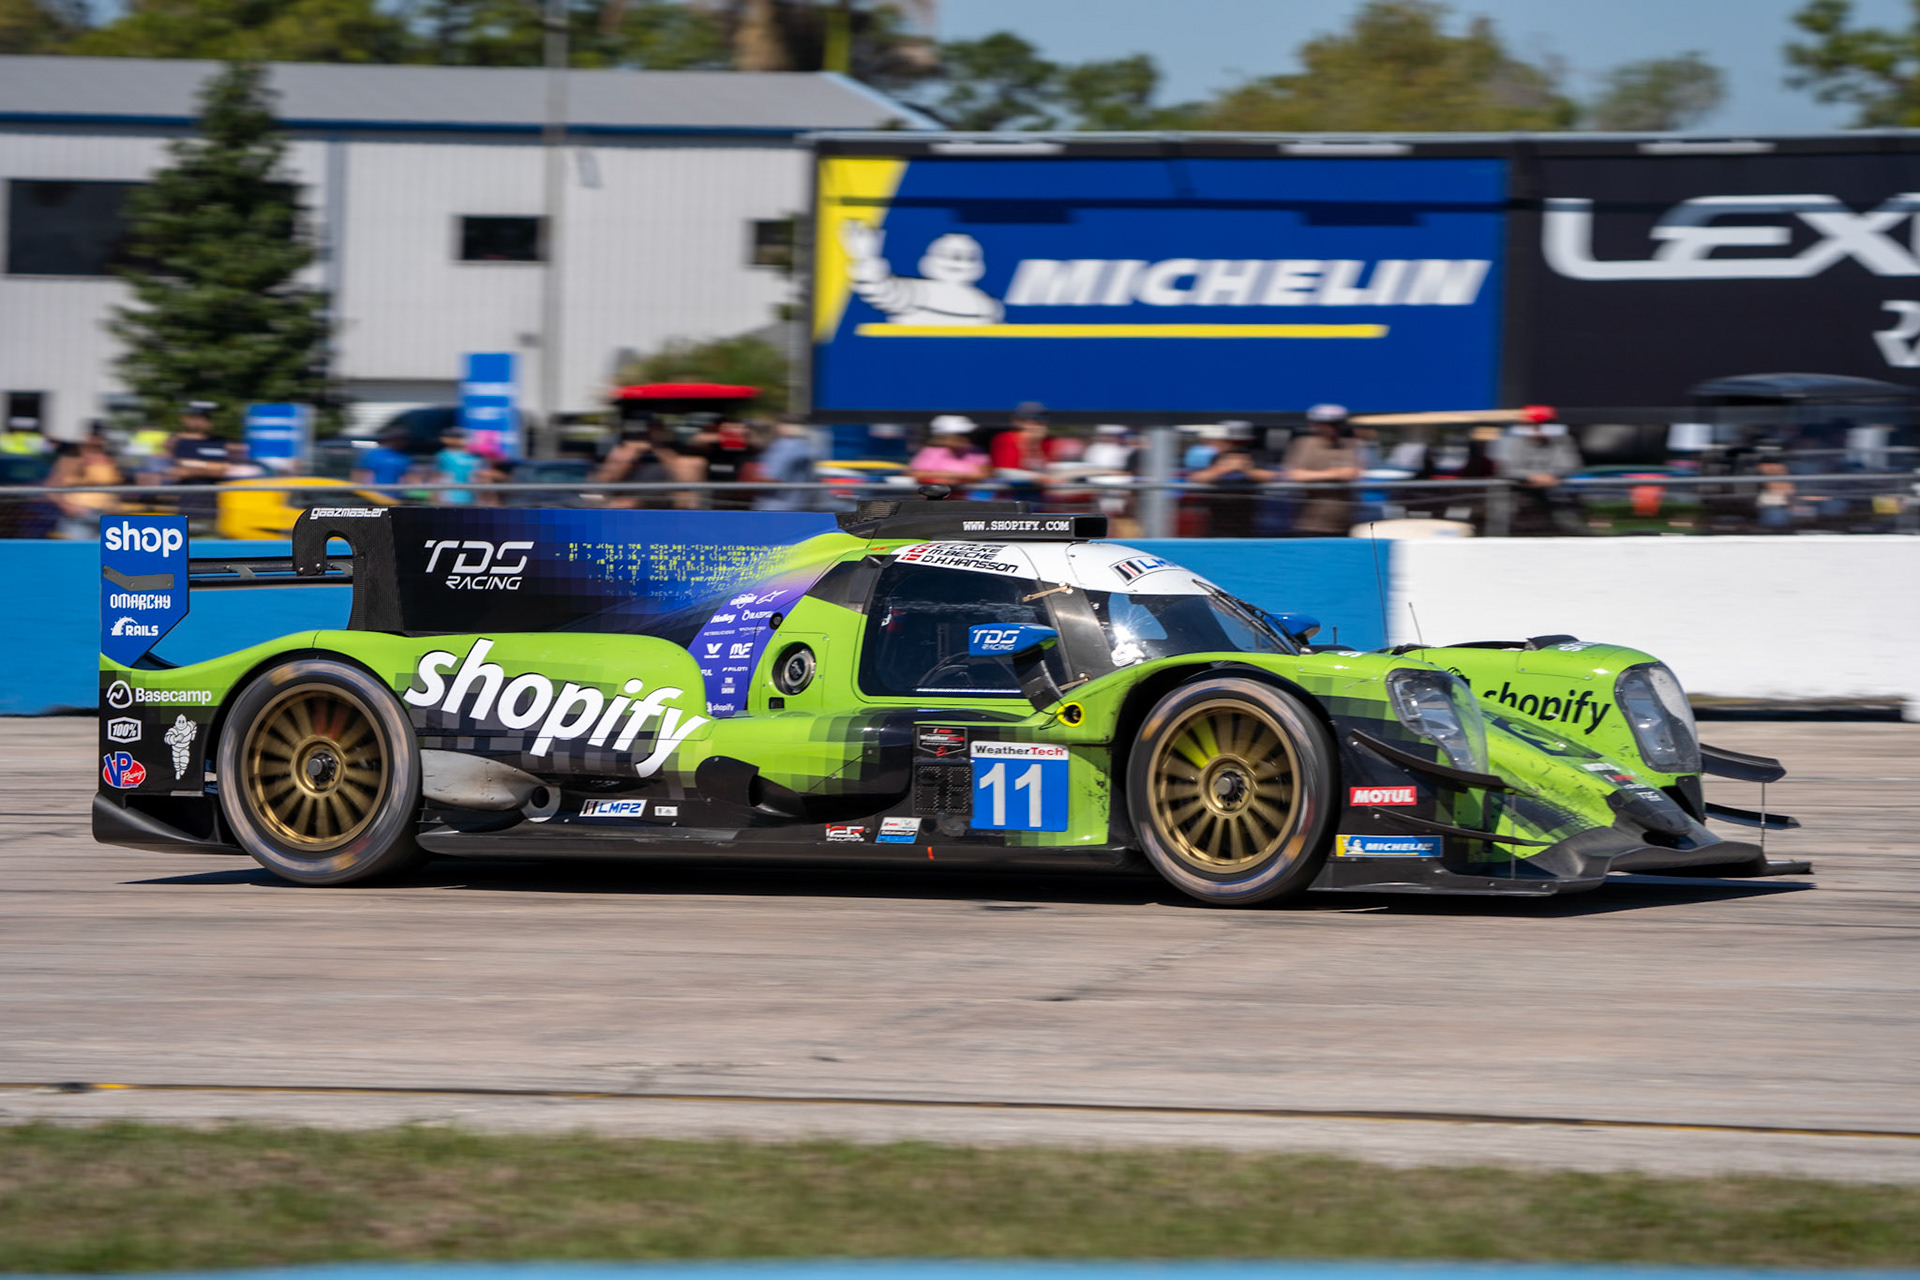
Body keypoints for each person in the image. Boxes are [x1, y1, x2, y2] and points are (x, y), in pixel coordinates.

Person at [1491, 405, 1584, 535]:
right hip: (1517, 493)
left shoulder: (1563, 440)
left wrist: (1549, 477)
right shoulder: (1509, 439)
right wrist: (1533, 477)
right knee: (1503, 513)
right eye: (1534, 424)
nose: (1539, 428)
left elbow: (1570, 465)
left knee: (1569, 518)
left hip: (1554, 493)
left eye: (1546, 423)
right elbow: (1507, 470)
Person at [1283, 403, 1364, 536]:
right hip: (1309, 524)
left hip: (1344, 524)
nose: (1333, 428)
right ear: (1314, 425)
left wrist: (1345, 474)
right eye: (1327, 424)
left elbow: (1356, 472)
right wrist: (1333, 473)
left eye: (1337, 424)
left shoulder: (1351, 445)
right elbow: (1294, 474)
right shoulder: (1304, 444)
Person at [1190, 421, 1281, 537]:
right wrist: (1225, 468)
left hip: (1248, 522)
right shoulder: (1214, 456)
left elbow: (1273, 476)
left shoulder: (1257, 455)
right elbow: (1198, 478)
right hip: (1216, 520)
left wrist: (1246, 469)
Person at [46, 435, 123, 539]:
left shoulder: (109, 461)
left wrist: (114, 506)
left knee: (101, 552)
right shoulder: (71, 460)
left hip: (106, 515)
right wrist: (69, 507)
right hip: (80, 515)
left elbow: (116, 485)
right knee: (78, 551)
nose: (97, 440)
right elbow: (52, 488)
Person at [754, 417, 821, 511]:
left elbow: (771, 478)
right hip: (800, 504)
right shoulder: (807, 446)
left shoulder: (784, 446)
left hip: (775, 506)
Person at [991, 402, 1051, 502]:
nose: (1036, 424)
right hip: (1009, 498)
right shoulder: (1005, 439)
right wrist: (1038, 477)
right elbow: (1003, 471)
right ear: (1018, 422)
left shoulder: (1045, 442)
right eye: (1030, 419)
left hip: (1036, 498)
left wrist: (1034, 444)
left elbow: (1046, 469)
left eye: (1041, 420)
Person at [909, 415, 991, 488]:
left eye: (969, 435)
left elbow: (984, 475)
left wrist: (949, 476)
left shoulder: (976, 451)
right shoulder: (930, 451)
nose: (966, 438)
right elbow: (916, 474)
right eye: (962, 435)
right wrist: (961, 476)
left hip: (970, 499)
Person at [168, 402, 230, 484]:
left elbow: (222, 470)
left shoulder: (218, 440)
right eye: (196, 417)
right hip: (188, 492)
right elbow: (178, 471)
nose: (203, 420)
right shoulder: (177, 441)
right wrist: (213, 468)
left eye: (207, 417)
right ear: (184, 419)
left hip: (215, 493)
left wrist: (193, 468)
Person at [433, 427, 485, 505]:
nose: (457, 440)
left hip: (470, 492)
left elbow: (480, 473)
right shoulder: (443, 455)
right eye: (454, 437)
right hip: (450, 492)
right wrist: (436, 494)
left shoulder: (472, 455)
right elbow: (437, 475)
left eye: (460, 437)